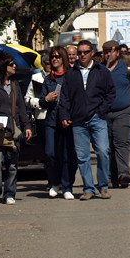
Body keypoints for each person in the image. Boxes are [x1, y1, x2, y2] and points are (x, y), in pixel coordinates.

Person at [57, 39, 116, 200]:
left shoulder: (101, 71)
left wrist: (100, 112)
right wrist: (65, 116)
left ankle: (103, 186)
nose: (81, 55)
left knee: (103, 151)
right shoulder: (71, 74)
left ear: (91, 53)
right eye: (79, 53)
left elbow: (110, 93)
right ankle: (88, 188)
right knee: (82, 157)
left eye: (85, 52)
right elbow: (65, 98)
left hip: (97, 118)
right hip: (78, 121)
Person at [0, 52, 32, 206]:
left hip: (13, 128)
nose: (14, 66)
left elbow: (21, 108)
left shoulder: (15, 85)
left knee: (12, 163)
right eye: (12, 64)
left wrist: (27, 127)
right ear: (4, 66)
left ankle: (10, 192)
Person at [102, 39, 130, 188]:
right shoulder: (99, 69)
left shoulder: (126, 69)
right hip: (103, 114)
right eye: (105, 52)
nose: (108, 55)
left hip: (122, 112)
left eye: (111, 52)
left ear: (117, 53)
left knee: (121, 144)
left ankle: (123, 174)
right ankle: (107, 177)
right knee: (105, 147)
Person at [39, 46, 78, 199]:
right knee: (50, 153)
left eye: (57, 57)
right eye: (52, 57)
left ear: (63, 58)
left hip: (68, 121)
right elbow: (42, 101)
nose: (54, 59)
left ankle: (67, 185)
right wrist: (46, 99)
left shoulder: (71, 75)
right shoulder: (48, 79)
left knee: (68, 154)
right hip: (51, 120)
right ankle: (54, 182)